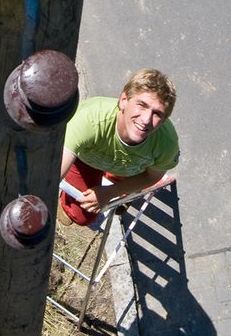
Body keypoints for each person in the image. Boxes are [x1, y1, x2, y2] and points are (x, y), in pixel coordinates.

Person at [58, 69, 179, 227]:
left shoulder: (166, 143)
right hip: (86, 161)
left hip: (129, 167)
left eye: (157, 114)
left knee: (120, 193)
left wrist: (110, 193)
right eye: (142, 105)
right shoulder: (88, 120)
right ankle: (69, 204)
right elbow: (54, 174)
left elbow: (151, 176)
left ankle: (117, 183)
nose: (146, 119)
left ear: (163, 121)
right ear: (123, 100)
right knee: (81, 216)